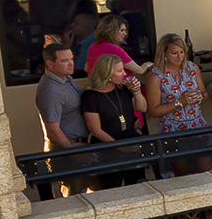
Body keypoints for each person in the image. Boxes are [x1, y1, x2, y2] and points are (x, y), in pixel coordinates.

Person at [79, 54, 146, 188]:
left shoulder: (123, 89)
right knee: (112, 186)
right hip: (108, 148)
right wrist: (120, 147)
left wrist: (137, 92)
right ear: (107, 73)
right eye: (119, 71)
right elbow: (95, 129)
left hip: (131, 143)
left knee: (137, 184)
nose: (124, 74)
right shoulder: (91, 96)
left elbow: (142, 108)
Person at [148, 33, 209, 175]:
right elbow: (154, 111)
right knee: (182, 175)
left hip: (197, 125)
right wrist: (180, 102)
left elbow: (204, 92)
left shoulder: (192, 68)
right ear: (164, 53)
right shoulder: (155, 76)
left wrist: (200, 96)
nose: (179, 57)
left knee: (207, 170)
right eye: (174, 53)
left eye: (182, 52)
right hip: (173, 130)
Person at [34, 43, 87, 198]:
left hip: (81, 145)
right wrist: (74, 153)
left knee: (94, 189)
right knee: (73, 198)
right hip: (67, 150)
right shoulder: (50, 90)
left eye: (71, 59)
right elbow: (52, 130)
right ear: (50, 64)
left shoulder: (66, 78)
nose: (71, 63)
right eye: (64, 61)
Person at [87, 14, 150, 79]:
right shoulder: (113, 48)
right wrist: (147, 64)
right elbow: (139, 70)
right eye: (122, 30)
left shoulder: (93, 46)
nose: (125, 34)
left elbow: (86, 68)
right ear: (111, 30)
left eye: (125, 30)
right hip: (121, 84)